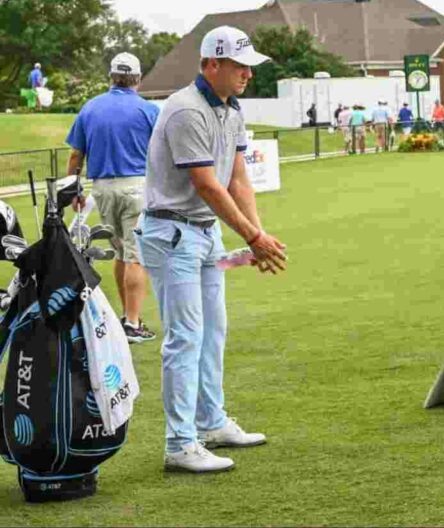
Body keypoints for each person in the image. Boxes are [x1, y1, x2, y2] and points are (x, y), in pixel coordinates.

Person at [137, 25, 288, 474]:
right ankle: (180, 444)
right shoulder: (185, 110)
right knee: (184, 338)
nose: (247, 74)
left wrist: (257, 236)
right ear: (211, 64)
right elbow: (206, 184)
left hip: (204, 235)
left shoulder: (231, 109)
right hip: (172, 234)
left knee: (212, 332)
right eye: (239, 66)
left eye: (249, 67)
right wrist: (254, 239)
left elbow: (239, 179)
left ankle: (211, 422)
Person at [65, 52, 160, 344]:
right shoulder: (148, 110)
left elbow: (75, 154)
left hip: (102, 188)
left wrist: (74, 189)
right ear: (138, 78)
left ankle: (127, 318)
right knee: (136, 256)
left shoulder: (90, 108)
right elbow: (163, 153)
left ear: (111, 76)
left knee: (121, 253)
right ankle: (132, 322)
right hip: (137, 187)